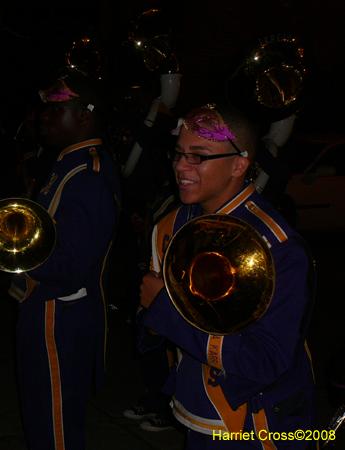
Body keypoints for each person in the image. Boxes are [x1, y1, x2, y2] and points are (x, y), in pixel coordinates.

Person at [139, 104, 316, 448]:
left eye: (198, 156)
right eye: (178, 154)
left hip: (256, 421)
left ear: (239, 164)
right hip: (195, 407)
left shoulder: (277, 247)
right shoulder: (171, 225)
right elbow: (154, 324)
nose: (180, 166)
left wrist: (164, 308)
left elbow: (266, 361)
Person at [8, 74, 121, 450]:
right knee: (41, 422)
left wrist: (10, 249)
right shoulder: (66, 163)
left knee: (54, 429)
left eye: (56, 110)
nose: (44, 116)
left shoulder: (86, 175)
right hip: (45, 310)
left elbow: (69, 266)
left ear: (85, 118)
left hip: (58, 315)